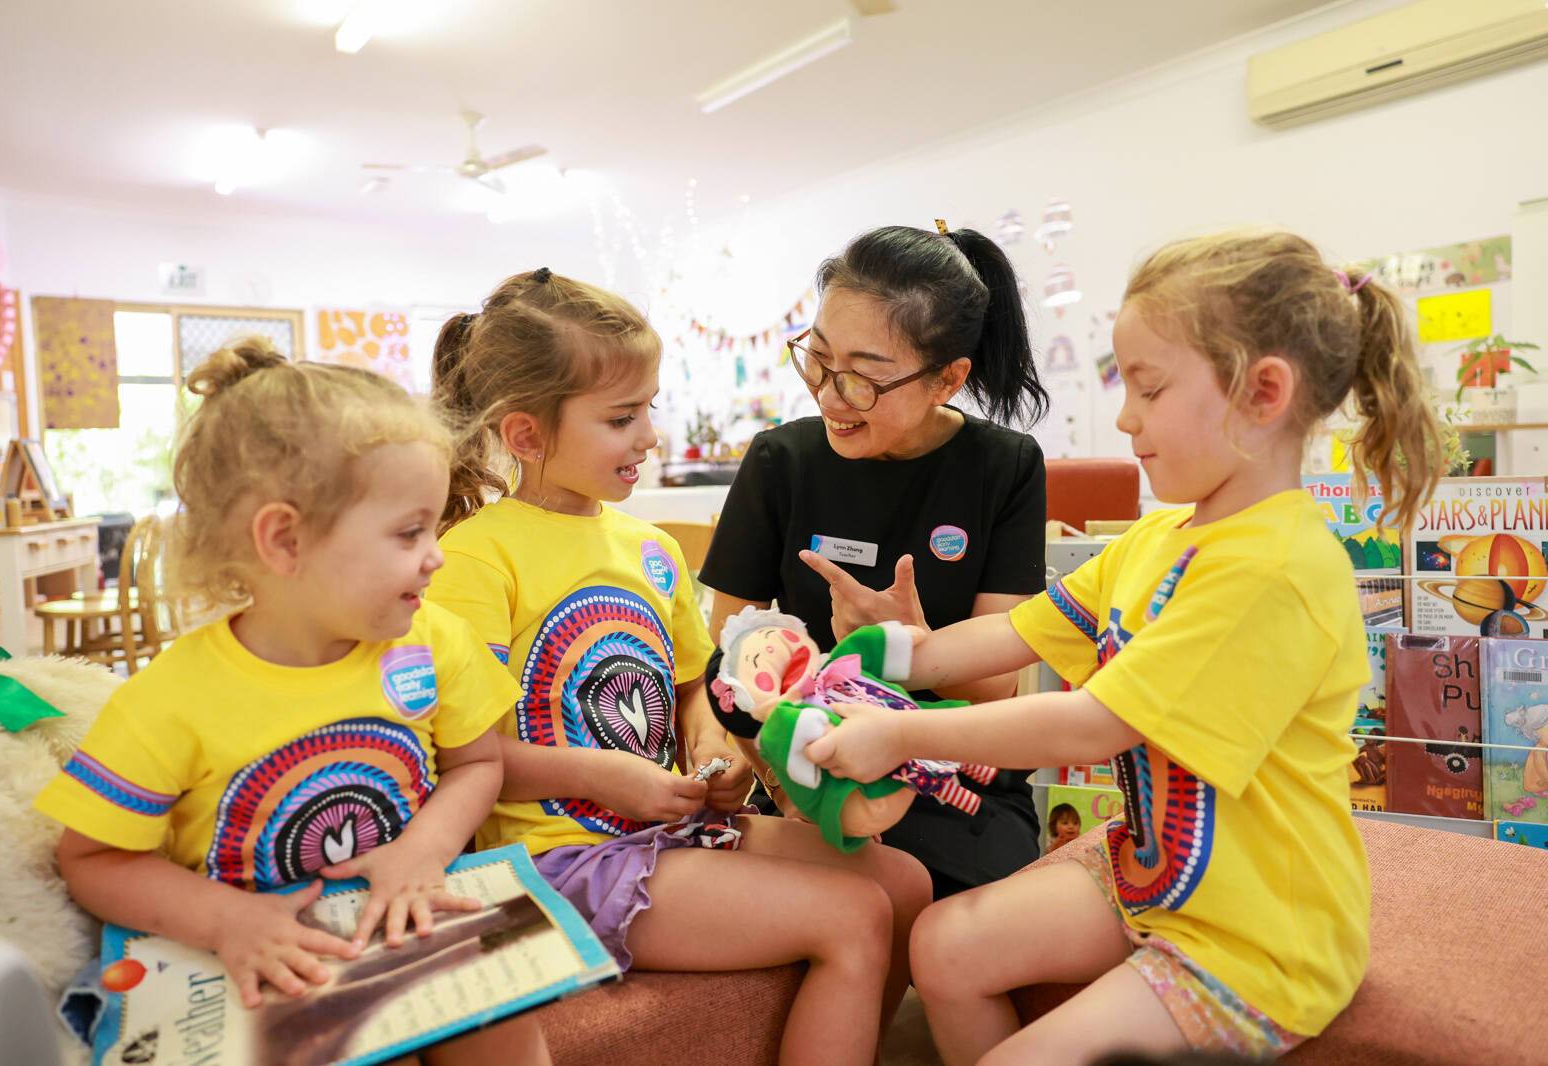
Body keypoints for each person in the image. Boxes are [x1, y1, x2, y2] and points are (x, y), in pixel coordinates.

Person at [807, 230, 1443, 1064]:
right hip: (1155, 877)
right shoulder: (1158, 540)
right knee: (945, 943)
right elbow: (1015, 630)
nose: (1123, 416)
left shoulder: (1275, 571)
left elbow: (1093, 724)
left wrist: (899, 732)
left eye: (1149, 388)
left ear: (1263, 392)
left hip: (1255, 939)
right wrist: (895, 658)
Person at [425, 268, 932, 1066]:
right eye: (620, 418)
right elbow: (468, 758)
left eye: (650, 409)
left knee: (904, 885)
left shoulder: (652, 551)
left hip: (668, 829)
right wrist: (606, 778)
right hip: (555, 859)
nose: (650, 438)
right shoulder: (475, 558)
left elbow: (693, 691)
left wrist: (712, 751)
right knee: (854, 916)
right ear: (525, 435)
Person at [33, 338, 548, 1065]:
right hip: (261, 962)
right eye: (410, 533)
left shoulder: (435, 641)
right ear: (284, 540)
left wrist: (423, 850)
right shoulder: (170, 699)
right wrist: (226, 921)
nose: (436, 554)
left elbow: (478, 763)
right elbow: (92, 857)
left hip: (404, 922)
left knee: (508, 1025)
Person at [700, 221, 1051, 897]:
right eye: (818, 358)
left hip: (957, 774)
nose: (830, 396)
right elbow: (732, 668)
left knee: (946, 911)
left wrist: (916, 642)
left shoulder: (1004, 466)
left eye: (863, 378)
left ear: (947, 379)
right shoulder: (780, 462)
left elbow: (996, 690)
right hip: (810, 768)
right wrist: (788, 792)